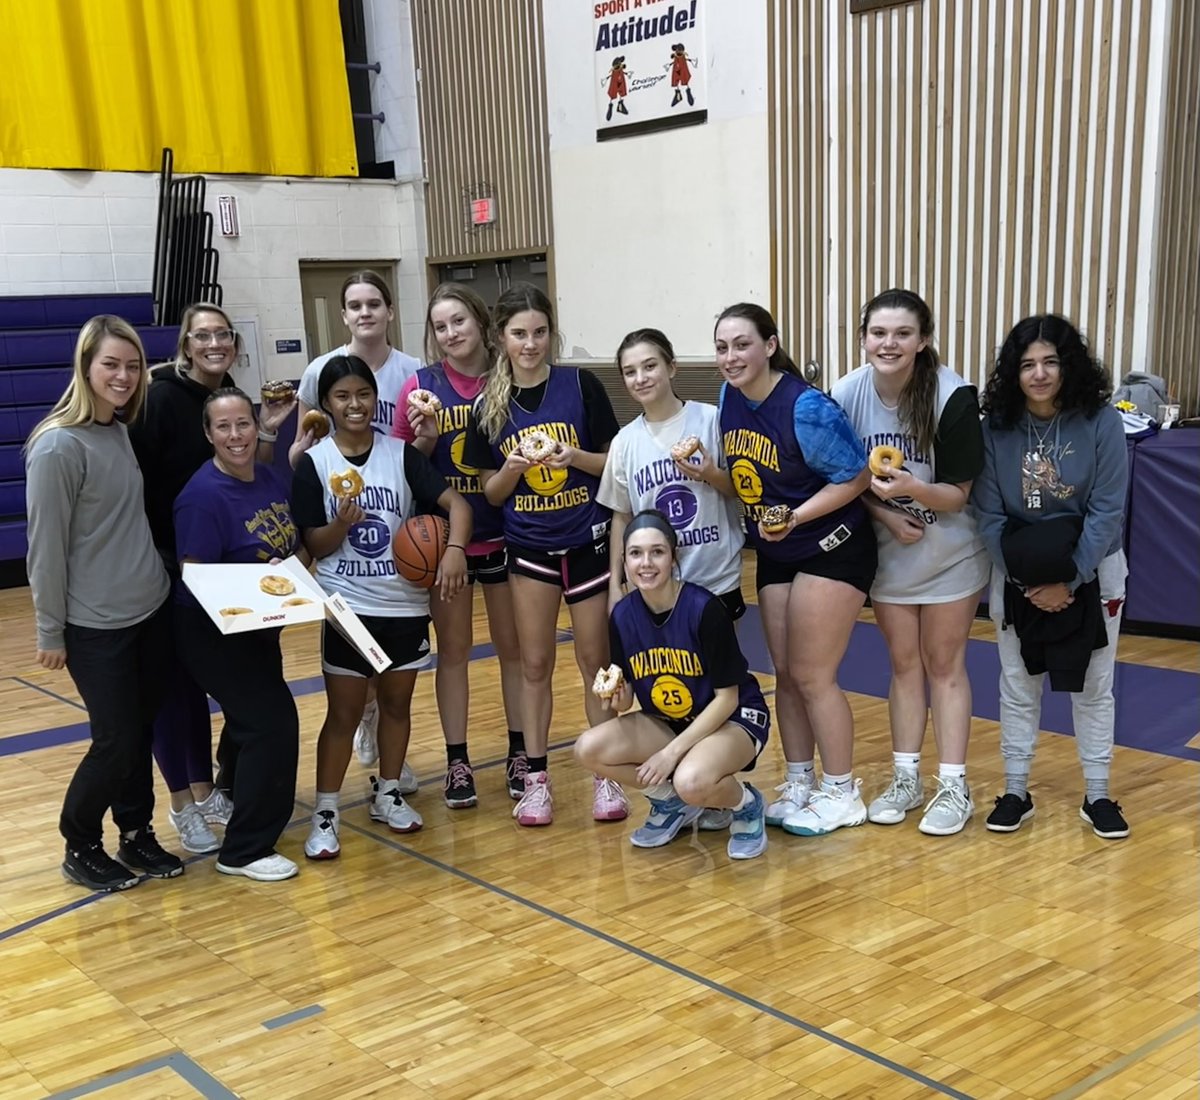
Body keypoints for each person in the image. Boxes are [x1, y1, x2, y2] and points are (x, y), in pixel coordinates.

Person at [129, 302, 296, 854]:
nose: (214, 343)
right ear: (185, 344)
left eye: (223, 333)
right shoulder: (158, 398)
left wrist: (268, 431)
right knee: (179, 695)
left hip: (237, 577)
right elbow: (142, 483)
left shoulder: (233, 404)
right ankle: (184, 801)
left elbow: (257, 480)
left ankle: (213, 790)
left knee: (244, 703)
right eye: (202, 335)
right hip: (179, 566)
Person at [25, 315, 184, 892]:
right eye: (110, 364)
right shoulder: (57, 447)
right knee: (115, 737)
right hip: (95, 624)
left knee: (138, 731)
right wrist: (49, 632)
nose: (122, 376)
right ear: (85, 367)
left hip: (150, 608)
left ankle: (136, 832)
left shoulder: (117, 430)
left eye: (132, 365)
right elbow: (45, 550)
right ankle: (79, 841)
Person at [292, 356, 472, 860]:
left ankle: (388, 790)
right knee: (344, 713)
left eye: (363, 395)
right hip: (348, 609)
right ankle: (325, 811)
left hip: (405, 606)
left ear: (376, 399)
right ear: (326, 403)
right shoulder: (315, 463)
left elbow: (458, 506)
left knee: (396, 706)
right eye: (343, 396)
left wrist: (453, 550)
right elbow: (315, 544)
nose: (355, 405)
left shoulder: (402, 456)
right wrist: (342, 526)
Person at [462, 283, 623, 827]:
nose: (530, 344)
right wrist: (511, 467)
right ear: (500, 338)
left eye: (538, 332)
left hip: (587, 544)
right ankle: (535, 781)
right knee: (534, 664)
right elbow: (490, 493)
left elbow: (613, 466)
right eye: (518, 334)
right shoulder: (487, 404)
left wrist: (572, 454)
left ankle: (606, 776)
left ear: (551, 333)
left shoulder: (581, 385)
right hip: (529, 548)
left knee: (595, 665)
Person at [831, 289, 989, 836]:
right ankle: (906, 777)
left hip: (950, 551)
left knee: (943, 665)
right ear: (864, 338)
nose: (889, 343)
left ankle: (953, 784)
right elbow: (842, 482)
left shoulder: (952, 396)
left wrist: (915, 490)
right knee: (903, 666)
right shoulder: (848, 392)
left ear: (923, 340)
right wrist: (886, 514)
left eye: (902, 334)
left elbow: (960, 494)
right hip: (891, 553)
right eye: (879, 333)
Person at [716, 302, 876, 836]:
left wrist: (796, 515)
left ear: (769, 344)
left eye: (742, 344)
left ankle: (842, 790)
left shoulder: (807, 407)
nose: (731, 356)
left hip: (832, 545)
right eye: (722, 347)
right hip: (776, 551)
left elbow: (855, 478)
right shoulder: (729, 398)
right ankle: (802, 781)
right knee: (784, 673)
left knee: (813, 674)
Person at [972, 315, 1130, 839]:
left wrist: (1073, 578)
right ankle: (1016, 789)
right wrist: (1024, 581)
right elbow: (988, 513)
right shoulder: (995, 427)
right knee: (1018, 684)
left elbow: (1108, 510)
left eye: (1050, 362)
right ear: (1013, 373)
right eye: (1027, 364)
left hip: (1094, 572)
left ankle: (1100, 794)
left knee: (1096, 686)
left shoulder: (1102, 421)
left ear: (1069, 367)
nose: (1039, 374)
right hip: (1018, 575)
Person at [393, 283, 524, 807]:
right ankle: (457, 761)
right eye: (440, 326)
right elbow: (401, 465)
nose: (450, 334)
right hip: (443, 541)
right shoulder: (419, 386)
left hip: (508, 533)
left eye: (459, 322)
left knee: (514, 652)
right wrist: (422, 439)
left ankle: (520, 752)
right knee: (454, 654)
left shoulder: (511, 379)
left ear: (481, 323)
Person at [574, 511, 771, 860]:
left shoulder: (705, 609)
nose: (645, 563)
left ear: (673, 557)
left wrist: (670, 754)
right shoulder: (622, 616)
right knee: (588, 748)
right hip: (671, 721)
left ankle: (745, 804)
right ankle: (672, 804)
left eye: (657, 552)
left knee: (691, 780)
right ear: (624, 560)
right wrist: (619, 697)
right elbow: (629, 697)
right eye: (635, 553)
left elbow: (727, 699)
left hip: (732, 718)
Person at [173, 388, 304, 881]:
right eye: (223, 427)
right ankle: (244, 851)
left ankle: (233, 797)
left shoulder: (267, 478)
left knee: (249, 724)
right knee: (272, 723)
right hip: (211, 631)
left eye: (243, 424)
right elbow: (199, 579)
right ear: (208, 434)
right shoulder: (201, 498)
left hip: (257, 629)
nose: (236, 435)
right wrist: (260, 580)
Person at [296, 269, 422, 778]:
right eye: (355, 304)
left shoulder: (414, 371)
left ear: (390, 311)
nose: (366, 312)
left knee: (394, 681)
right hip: (345, 570)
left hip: (398, 544)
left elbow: (419, 461)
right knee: (351, 683)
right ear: (344, 314)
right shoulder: (319, 371)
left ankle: (386, 758)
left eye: (375, 302)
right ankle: (363, 724)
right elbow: (304, 447)